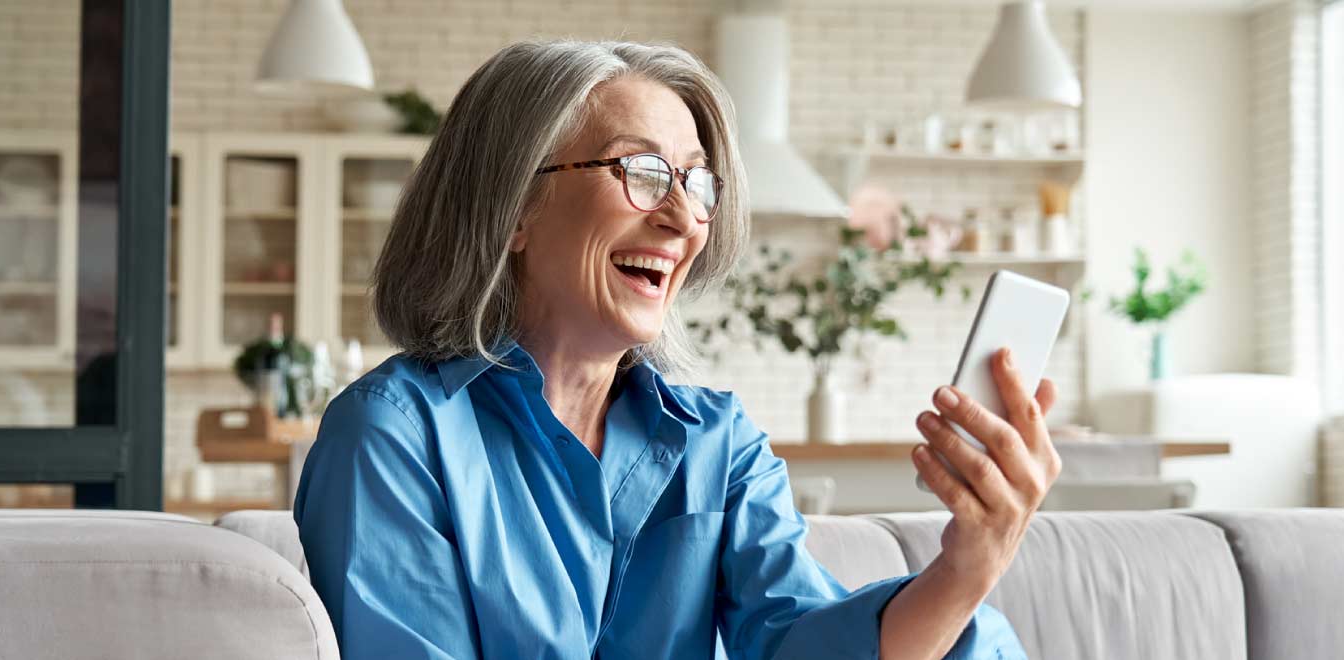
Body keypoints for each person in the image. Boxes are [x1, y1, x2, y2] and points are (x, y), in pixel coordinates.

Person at [293, 39, 1062, 660]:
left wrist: (968, 568)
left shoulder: (717, 444)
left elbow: (807, 644)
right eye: (643, 171)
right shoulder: (394, 436)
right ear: (512, 208)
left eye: (697, 184)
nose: (685, 218)